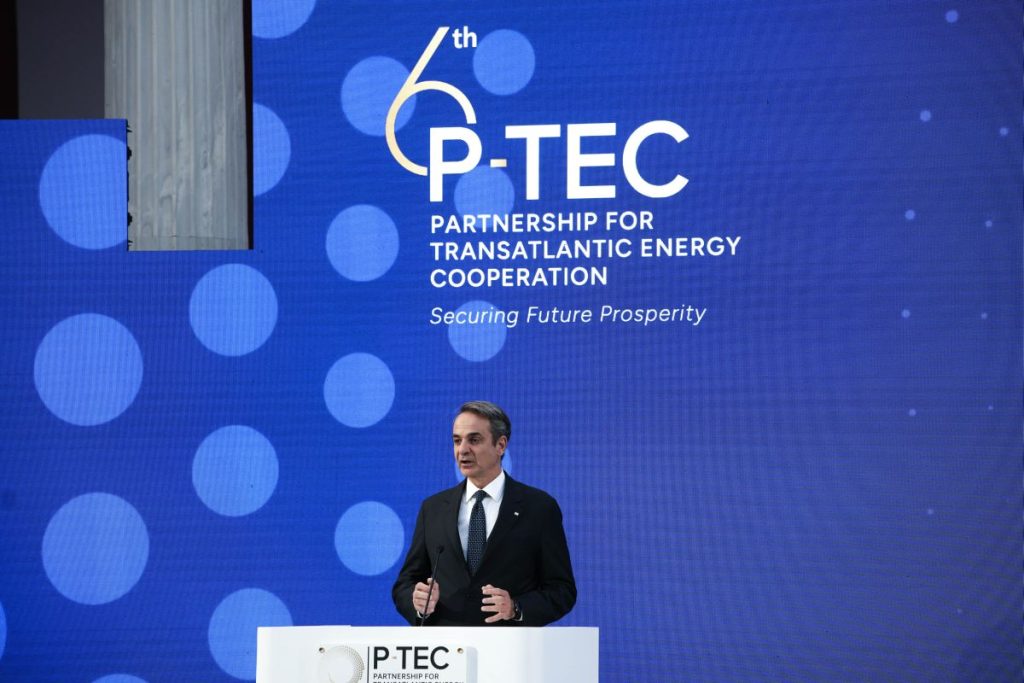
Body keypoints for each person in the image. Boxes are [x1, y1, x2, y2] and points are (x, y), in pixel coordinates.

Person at [392, 401, 576, 626]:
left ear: (501, 445)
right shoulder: (433, 508)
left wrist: (516, 608)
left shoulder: (539, 508)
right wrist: (418, 602)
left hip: (508, 643)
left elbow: (562, 590)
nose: (462, 450)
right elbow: (406, 583)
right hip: (447, 643)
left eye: (474, 440)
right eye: (457, 440)